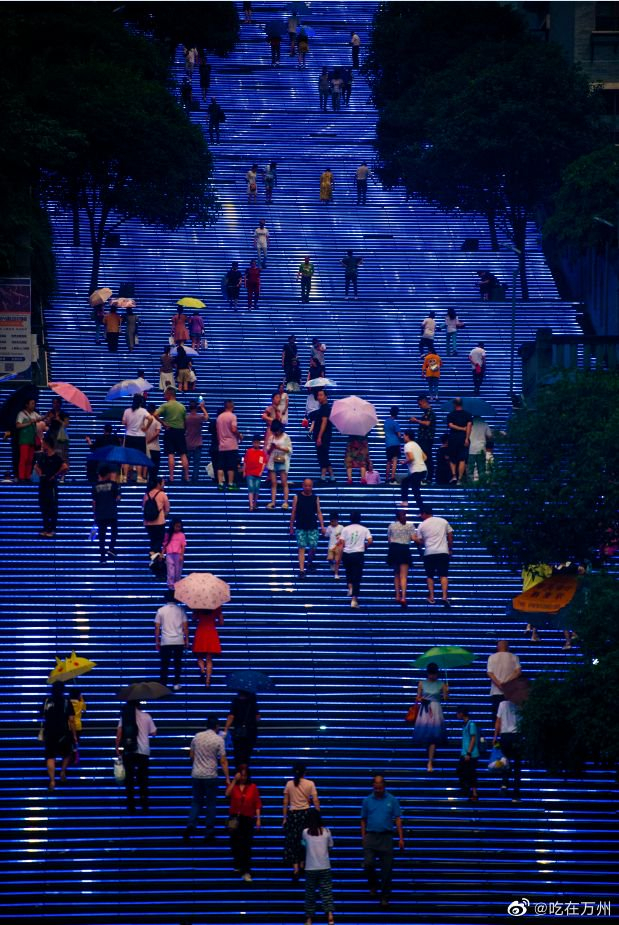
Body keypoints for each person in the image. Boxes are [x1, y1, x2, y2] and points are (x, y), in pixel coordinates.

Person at [183, 715, 231, 843]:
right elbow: (223, 761)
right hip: (211, 776)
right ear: (216, 726)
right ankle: (209, 831)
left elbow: (191, 756)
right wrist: (227, 778)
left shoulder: (197, 737)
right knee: (211, 804)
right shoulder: (218, 740)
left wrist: (198, 764)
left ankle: (190, 826)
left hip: (197, 775)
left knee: (196, 802)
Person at [361, 775, 404, 910]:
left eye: (380, 787)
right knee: (368, 863)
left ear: (384, 786)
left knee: (387, 870)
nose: (378, 790)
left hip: (386, 838)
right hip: (371, 837)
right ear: (373, 786)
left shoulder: (392, 800)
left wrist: (401, 838)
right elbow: (363, 819)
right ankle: (373, 885)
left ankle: (384, 897)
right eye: (376, 787)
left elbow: (398, 819)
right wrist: (364, 837)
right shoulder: (367, 800)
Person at [115, 701, 157, 812]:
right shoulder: (147, 716)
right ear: (139, 705)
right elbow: (154, 732)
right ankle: (144, 803)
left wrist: (117, 747)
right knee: (143, 778)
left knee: (129, 778)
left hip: (129, 751)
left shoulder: (124, 716)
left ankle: (131, 804)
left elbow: (119, 733)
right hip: (143, 751)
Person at [283, 764, 321, 881]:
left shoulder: (289, 784)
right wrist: (318, 817)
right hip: (306, 815)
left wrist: (284, 817)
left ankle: (295, 869)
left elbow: (285, 802)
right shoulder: (310, 783)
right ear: (305, 772)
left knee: (293, 841)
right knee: (305, 841)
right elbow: (315, 800)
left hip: (293, 816)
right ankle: (303, 864)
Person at [225, 765, 262, 882]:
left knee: (246, 844)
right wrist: (234, 780)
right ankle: (238, 865)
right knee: (235, 842)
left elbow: (257, 803)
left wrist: (258, 818)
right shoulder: (234, 786)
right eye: (241, 775)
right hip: (235, 818)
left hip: (247, 818)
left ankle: (246, 870)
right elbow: (227, 794)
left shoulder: (253, 787)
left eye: (245, 775)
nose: (243, 777)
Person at [414, 506, 454, 607]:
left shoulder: (422, 525)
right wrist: (450, 548)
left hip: (429, 553)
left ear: (424, 514)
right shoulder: (443, 521)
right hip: (443, 552)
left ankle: (432, 597)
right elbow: (450, 534)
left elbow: (421, 542)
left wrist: (414, 539)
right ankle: (444, 596)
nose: (420, 517)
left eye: (421, 515)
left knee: (430, 576)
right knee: (443, 575)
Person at [41, 682, 76, 790]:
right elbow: (71, 720)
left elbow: (42, 715)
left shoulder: (47, 701)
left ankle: (52, 781)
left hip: (49, 733)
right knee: (67, 753)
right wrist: (74, 735)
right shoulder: (66, 701)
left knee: (50, 757)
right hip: (63, 733)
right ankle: (62, 771)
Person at [413, 662, 448, 771]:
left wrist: (446, 691)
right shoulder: (421, 683)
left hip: (436, 710)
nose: (432, 676)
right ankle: (428, 758)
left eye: (434, 674)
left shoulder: (441, 684)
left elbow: (445, 699)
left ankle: (430, 761)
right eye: (431, 674)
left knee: (434, 736)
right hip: (425, 709)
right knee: (426, 735)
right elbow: (417, 698)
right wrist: (421, 699)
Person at [302, 808, 335, 925]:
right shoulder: (326, 831)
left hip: (310, 867)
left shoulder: (305, 832)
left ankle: (309, 918)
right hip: (325, 866)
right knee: (326, 892)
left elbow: (303, 845)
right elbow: (331, 845)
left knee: (310, 893)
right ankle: (330, 915)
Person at [289, 478, 326, 579]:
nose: (307, 488)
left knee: (313, 546)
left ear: (312, 486)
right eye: (306, 485)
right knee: (301, 548)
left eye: (309, 486)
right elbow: (293, 512)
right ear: (303, 485)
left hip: (312, 526)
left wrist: (322, 525)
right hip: (300, 526)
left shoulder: (315, 498)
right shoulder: (297, 497)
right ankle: (301, 570)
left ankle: (309, 563)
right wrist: (291, 525)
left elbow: (319, 512)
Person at [337, 511, 373, 609]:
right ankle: (354, 599)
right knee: (357, 577)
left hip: (347, 554)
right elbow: (370, 540)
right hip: (358, 554)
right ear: (359, 519)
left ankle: (350, 588)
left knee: (348, 572)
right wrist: (365, 546)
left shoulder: (345, 529)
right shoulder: (364, 529)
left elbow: (342, 542)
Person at [154, 387, 190, 483]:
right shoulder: (182, 406)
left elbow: (154, 414)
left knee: (171, 454)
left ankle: (171, 476)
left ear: (169, 394)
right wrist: (184, 430)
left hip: (169, 431)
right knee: (183, 454)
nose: (164, 396)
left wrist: (163, 423)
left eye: (165, 394)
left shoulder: (165, 406)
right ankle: (187, 476)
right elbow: (185, 421)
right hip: (180, 431)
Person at [34, 435, 67, 537]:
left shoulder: (56, 457)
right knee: (43, 506)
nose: (42, 445)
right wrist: (40, 474)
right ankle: (45, 528)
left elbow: (65, 467)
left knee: (52, 507)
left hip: (51, 485)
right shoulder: (42, 456)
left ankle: (52, 529)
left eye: (43, 443)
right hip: (43, 484)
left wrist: (55, 475)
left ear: (47, 444)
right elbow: (36, 466)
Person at [155, 590, 188, 691]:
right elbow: (185, 627)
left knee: (165, 663)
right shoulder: (181, 610)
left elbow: (157, 627)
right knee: (177, 663)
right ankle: (176, 683)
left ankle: (163, 684)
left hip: (166, 641)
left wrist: (157, 641)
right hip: (179, 640)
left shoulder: (161, 610)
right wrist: (187, 640)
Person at [493, 699, 522, 802]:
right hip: (516, 736)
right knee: (517, 765)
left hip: (505, 736)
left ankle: (504, 785)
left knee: (505, 761)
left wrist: (495, 737)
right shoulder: (520, 704)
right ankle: (516, 793)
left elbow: (498, 722)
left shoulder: (502, 704)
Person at [387, 509, 416, 608]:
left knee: (396, 574)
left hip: (394, 549)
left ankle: (397, 595)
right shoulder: (410, 526)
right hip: (404, 550)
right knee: (404, 575)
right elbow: (413, 538)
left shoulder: (391, 526)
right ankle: (403, 597)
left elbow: (389, 540)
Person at [487, 640, 521, 723]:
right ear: (508, 647)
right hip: (511, 691)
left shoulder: (491, 657)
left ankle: (498, 734)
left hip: (496, 692)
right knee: (512, 716)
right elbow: (518, 672)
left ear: (497, 647)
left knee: (498, 717)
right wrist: (507, 682)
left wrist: (499, 684)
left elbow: (489, 673)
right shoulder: (514, 657)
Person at [223, 691, 260, 768]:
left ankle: (238, 774)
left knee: (238, 755)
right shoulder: (252, 700)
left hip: (238, 732)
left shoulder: (236, 701)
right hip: (250, 732)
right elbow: (257, 717)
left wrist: (226, 729)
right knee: (247, 756)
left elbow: (231, 716)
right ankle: (245, 774)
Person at [92, 465, 120, 564]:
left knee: (102, 535)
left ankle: (102, 557)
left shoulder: (95, 486)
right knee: (114, 531)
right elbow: (118, 498)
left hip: (100, 513)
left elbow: (94, 502)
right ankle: (111, 548)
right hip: (111, 512)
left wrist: (94, 514)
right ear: (108, 474)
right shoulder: (113, 484)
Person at [121, 394, 152, 483]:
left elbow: (124, 422)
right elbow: (150, 419)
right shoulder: (143, 411)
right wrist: (146, 427)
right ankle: (139, 476)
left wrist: (128, 424)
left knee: (127, 457)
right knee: (139, 457)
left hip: (129, 436)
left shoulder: (127, 411)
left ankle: (125, 477)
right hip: (140, 437)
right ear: (141, 402)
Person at [192, 607, 223, 688]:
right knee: (209, 659)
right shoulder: (216, 607)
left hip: (201, 632)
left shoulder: (198, 606)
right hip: (211, 632)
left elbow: (194, 619)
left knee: (199, 657)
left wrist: (195, 611)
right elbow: (221, 622)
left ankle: (202, 669)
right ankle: (208, 681)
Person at [216, 400, 243, 490]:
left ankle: (220, 483)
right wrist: (239, 435)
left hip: (221, 445)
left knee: (220, 465)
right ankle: (230, 484)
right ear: (232, 406)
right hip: (231, 445)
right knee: (231, 466)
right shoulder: (232, 416)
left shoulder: (219, 417)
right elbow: (234, 429)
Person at [266, 420, 292, 510]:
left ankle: (285, 502)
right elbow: (267, 451)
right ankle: (273, 502)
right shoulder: (271, 437)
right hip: (273, 461)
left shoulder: (286, 437)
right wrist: (272, 448)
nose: (275, 432)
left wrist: (278, 447)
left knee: (284, 482)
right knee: (273, 483)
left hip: (283, 461)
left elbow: (289, 450)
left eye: (276, 430)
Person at [410, 394, 436, 484]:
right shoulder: (425, 413)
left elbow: (428, 423)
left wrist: (416, 420)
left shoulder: (430, 412)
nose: (419, 406)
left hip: (427, 439)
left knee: (427, 458)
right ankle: (424, 477)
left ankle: (429, 477)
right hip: (422, 439)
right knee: (423, 458)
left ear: (424, 402)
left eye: (420, 404)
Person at [143, 474, 170, 560]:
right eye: (163, 483)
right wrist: (163, 515)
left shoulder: (146, 495)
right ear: (158, 484)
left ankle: (154, 556)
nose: (163, 485)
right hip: (159, 522)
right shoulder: (162, 494)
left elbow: (143, 507)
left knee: (153, 540)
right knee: (159, 541)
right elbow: (167, 509)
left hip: (148, 523)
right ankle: (155, 556)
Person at [16, 396, 43, 482]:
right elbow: (18, 425)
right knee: (23, 459)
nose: (34, 405)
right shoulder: (21, 414)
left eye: (34, 403)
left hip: (31, 440)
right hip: (24, 440)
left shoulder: (34, 413)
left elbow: (40, 418)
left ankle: (27, 476)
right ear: (27, 404)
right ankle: (21, 477)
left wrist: (47, 416)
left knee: (30, 459)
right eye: (32, 403)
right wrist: (29, 422)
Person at [447, 397, 473, 484]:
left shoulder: (451, 414)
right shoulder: (468, 415)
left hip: (453, 438)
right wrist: (466, 438)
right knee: (462, 459)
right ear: (462, 404)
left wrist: (459, 428)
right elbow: (469, 427)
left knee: (452, 458)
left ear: (454, 404)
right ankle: (460, 478)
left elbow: (450, 425)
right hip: (463, 438)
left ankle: (454, 476)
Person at [310, 389, 334, 483]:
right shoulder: (322, 408)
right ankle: (332, 476)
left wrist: (319, 437)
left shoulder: (325, 408)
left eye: (321, 395)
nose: (319, 397)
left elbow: (324, 422)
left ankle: (323, 477)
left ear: (325, 397)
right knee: (324, 456)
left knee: (323, 456)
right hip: (322, 436)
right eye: (318, 395)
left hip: (324, 437)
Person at [456, 706, 479, 802]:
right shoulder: (465, 724)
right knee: (463, 772)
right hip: (465, 753)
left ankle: (474, 793)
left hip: (471, 754)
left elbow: (473, 739)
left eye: (458, 713)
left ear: (462, 713)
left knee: (471, 773)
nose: (457, 715)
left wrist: (469, 753)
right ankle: (468, 790)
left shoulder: (471, 724)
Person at [400, 429, 426, 510]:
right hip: (423, 470)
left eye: (404, 435)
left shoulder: (407, 445)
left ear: (407, 436)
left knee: (406, 483)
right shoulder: (416, 444)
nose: (403, 437)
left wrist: (404, 462)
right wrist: (419, 461)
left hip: (416, 471)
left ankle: (405, 502)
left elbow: (411, 458)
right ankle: (422, 510)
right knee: (415, 491)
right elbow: (425, 457)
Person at [185, 399, 208, 484]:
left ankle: (185, 477)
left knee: (186, 462)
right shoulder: (199, 417)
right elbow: (206, 417)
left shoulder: (186, 417)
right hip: (198, 443)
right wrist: (202, 407)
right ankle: (194, 480)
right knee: (196, 463)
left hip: (187, 442)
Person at [243, 433, 266, 511]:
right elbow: (245, 462)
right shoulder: (249, 451)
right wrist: (244, 471)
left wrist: (261, 472)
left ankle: (255, 503)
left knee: (256, 489)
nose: (256, 444)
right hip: (249, 473)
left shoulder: (262, 453)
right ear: (253, 443)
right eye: (255, 442)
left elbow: (263, 463)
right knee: (251, 488)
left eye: (258, 442)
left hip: (258, 473)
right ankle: (251, 505)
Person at [162, 516, 186, 591]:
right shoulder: (168, 534)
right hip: (169, 554)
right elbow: (165, 545)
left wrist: (182, 555)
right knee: (170, 572)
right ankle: (170, 586)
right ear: (172, 526)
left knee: (177, 572)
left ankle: (177, 587)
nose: (177, 528)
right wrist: (162, 554)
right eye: (176, 526)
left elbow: (183, 546)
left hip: (178, 555)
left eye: (179, 527)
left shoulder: (182, 535)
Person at [469, 416, 493, 481]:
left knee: (470, 468)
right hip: (481, 448)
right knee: (481, 468)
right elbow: (490, 435)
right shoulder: (484, 424)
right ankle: (482, 484)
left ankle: (469, 485)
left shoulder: (469, 423)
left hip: (470, 448)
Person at [384, 406, 402, 485]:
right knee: (394, 460)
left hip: (388, 444)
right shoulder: (395, 423)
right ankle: (392, 478)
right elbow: (399, 435)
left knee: (388, 461)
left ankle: (386, 478)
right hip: (395, 443)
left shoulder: (386, 422)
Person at [144, 406, 162, 476]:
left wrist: (146, 441)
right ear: (154, 411)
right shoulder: (157, 420)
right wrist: (149, 440)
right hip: (155, 447)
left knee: (145, 466)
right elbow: (157, 433)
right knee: (154, 469)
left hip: (145, 447)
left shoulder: (144, 420)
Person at [325, 511, 343, 580]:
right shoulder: (329, 527)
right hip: (331, 546)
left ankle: (336, 574)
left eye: (333, 521)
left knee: (337, 561)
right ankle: (331, 564)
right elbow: (326, 535)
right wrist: (324, 531)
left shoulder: (341, 527)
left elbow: (343, 536)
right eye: (331, 521)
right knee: (329, 558)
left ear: (337, 520)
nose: (332, 523)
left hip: (338, 546)